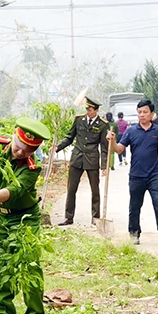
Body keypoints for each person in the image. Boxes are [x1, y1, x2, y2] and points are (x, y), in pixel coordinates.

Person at [0, 117, 52, 314]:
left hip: (24, 217)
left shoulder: (33, 167)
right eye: (20, 146)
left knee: (29, 264)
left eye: (28, 150)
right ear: (14, 136)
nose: (21, 152)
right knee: (0, 265)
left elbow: (12, 192)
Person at [108, 99, 158, 247]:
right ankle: (134, 233)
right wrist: (112, 141)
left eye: (145, 112)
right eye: (139, 112)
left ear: (151, 114)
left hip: (154, 176)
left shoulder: (157, 131)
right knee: (134, 206)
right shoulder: (131, 130)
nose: (141, 115)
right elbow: (119, 149)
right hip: (136, 176)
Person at [55, 96, 109, 227]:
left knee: (95, 190)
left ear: (96, 110)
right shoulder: (79, 120)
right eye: (87, 109)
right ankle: (68, 217)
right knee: (71, 189)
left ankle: (95, 218)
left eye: (90, 109)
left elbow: (104, 148)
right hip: (77, 158)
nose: (88, 112)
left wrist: (104, 166)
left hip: (92, 159)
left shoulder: (103, 125)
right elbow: (69, 137)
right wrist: (57, 147)